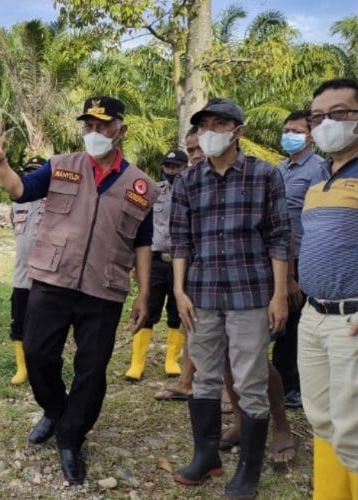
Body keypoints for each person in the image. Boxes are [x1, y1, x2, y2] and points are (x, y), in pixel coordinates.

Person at [0, 96, 157, 485]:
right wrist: (0, 164)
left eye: (102, 125)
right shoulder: (61, 167)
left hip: (104, 289)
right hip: (53, 280)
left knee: (91, 371)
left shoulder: (142, 186)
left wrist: (143, 293)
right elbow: (20, 190)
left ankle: (72, 438)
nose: (93, 133)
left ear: (120, 130)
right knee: (38, 354)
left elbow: (143, 241)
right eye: (88, 126)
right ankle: (55, 409)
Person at [170, 98, 290, 499]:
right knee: (204, 377)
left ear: (237, 131)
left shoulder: (264, 175)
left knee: (250, 381)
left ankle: (248, 472)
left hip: (250, 293)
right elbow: (181, 240)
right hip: (201, 293)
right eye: (204, 125)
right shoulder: (188, 181)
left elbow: (278, 238)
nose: (210, 132)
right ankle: (206, 456)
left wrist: (278, 295)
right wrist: (178, 290)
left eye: (219, 124)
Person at [297, 78, 358, 499]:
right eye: (318, 117)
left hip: (350, 320)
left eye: (339, 114)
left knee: (353, 429)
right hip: (313, 315)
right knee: (320, 419)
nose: (326, 123)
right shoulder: (320, 179)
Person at [274, 110, 329, 409]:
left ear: (310, 135)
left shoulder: (320, 169)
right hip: (278, 257)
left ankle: (291, 387)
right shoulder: (279, 169)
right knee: (280, 323)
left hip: (304, 259)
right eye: (286, 130)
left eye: (295, 130)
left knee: (295, 325)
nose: (289, 135)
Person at [126, 148, 188, 381]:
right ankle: (136, 363)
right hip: (154, 260)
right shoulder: (154, 192)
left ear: (185, 168)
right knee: (147, 308)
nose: (172, 171)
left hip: (181, 262)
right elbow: (139, 227)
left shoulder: (193, 192)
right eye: (168, 167)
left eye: (177, 167)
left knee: (176, 310)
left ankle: (172, 360)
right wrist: (135, 261)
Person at [154, 127, 204, 401]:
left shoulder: (242, 177)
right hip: (192, 265)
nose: (196, 155)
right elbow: (180, 235)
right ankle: (186, 382)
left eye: (200, 148)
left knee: (230, 334)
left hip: (228, 269)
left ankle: (225, 391)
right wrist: (178, 284)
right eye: (192, 150)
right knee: (192, 324)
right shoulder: (187, 183)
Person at [9, 156, 46, 385]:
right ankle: (22, 368)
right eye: (29, 172)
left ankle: (41, 366)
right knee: (19, 322)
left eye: (37, 172)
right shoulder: (17, 203)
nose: (32, 176)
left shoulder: (54, 202)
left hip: (46, 276)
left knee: (44, 324)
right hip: (21, 275)